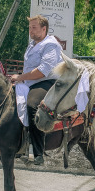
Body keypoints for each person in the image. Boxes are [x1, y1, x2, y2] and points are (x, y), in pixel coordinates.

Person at [10, 15, 63, 165]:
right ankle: (18, 144)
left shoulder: (51, 45)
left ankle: (38, 152)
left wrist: (20, 77)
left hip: (46, 82)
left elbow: (42, 71)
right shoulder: (32, 44)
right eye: (29, 27)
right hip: (29, 83)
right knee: (10, 102)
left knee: (32, 105)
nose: (30, 31)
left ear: (44, 29)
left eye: (34, 27)